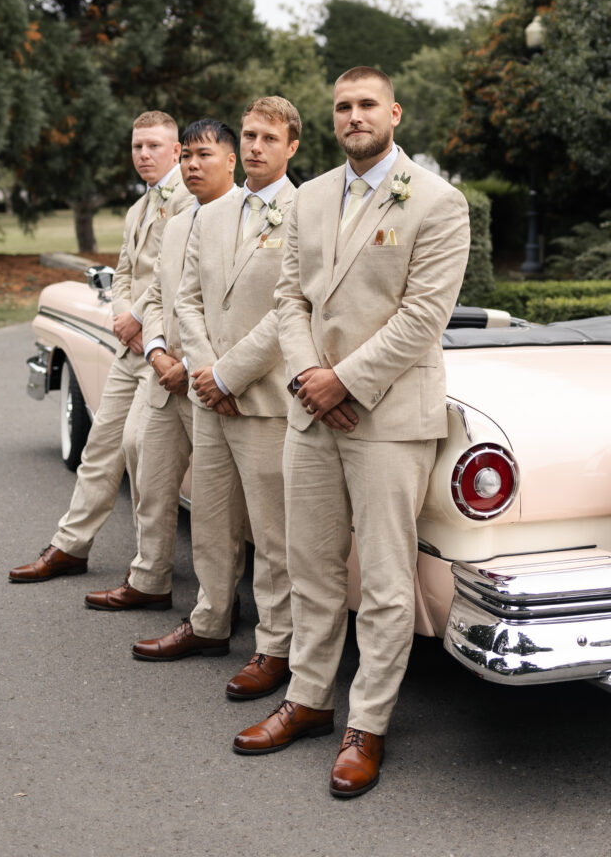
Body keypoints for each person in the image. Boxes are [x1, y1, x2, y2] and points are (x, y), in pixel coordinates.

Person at [233, 67, 470, 798]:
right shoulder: (306, 198)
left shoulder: (437, 200)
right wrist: (311, 379)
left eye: (367, 104)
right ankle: (307, 700)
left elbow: (422, 317)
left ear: (393, 112)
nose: (354, 116)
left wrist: (349, 382)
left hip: (389, 417)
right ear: (331, 120)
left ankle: (367, 725)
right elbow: (289, 298)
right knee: (310, 567)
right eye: (342, 107)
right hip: (312, 409)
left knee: (389, 583)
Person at [132, 97, 300, 705]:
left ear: (291, 148)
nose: (256, 146)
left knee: (272, 534)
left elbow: (291, 311)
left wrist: (228, 376)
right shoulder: (212, 214)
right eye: (250, 134)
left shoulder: (303, 210)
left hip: (264, 398)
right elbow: (187, 299)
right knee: (210, 520)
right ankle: (208, 621)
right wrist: (207, 374)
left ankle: (276, 646)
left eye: (267, 138)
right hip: (211, 395)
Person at [9, 111, 190, 587]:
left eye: (154, 146)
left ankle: (150, 570)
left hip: (166, 349)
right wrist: (123, 313)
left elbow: (179, 276)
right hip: (131, 346)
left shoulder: (193, 199)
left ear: (176, 150)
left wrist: (138, 317)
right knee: (100, 447)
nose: (144, 154)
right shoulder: (137, 209)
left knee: (141, 453)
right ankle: (70, 546)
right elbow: (126, 272)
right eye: (137, 147)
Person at [83, 119, 238, 611]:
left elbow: (234, 308)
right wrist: (153, 349)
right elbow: (154, 289)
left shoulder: (236, 215)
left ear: (229, 161)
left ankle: (220, 603)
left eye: (201, 155)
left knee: (217, 502)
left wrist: (186, 362)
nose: (192, 165)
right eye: (187, 157)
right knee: (147, 472)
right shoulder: (167, 218)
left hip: (208, 375)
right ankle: (150, 580)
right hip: (158, 363)